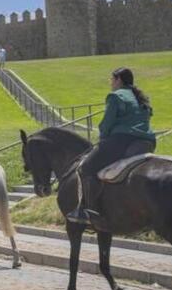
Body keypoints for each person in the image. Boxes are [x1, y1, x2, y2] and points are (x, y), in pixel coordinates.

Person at [67, 67, 156, 224]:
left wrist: (103, 139)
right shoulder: (142, 98)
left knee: (85, 167)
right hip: (147, 143)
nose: (110, 83)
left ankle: (88, 211)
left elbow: (106, 124)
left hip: (122, 141)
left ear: (118, 80)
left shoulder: (115, 96)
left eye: (112, 79)